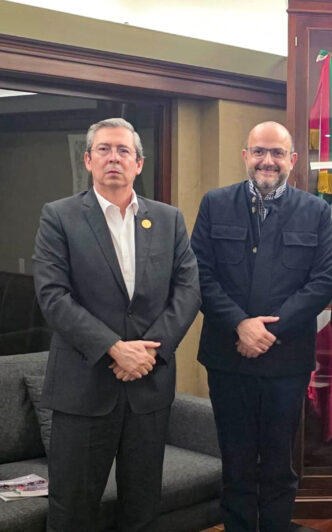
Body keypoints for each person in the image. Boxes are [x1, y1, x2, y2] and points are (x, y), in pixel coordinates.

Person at [33, 117, 201, 531]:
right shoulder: (59, 216)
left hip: (148, 386)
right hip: (83, 390)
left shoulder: (168, 219)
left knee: (142, 509)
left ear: (138, 163)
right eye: (104, 149)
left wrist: (149, 351)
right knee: (72, 511)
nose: (114, 158)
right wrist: (114, 348)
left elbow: (188, 290)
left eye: (123, 150)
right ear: (88, 160)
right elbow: (53, 296)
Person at [190, 121, 332, 531]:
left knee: (278, 463)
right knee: (235, 461)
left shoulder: (315, 211)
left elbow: (322, 282)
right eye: (259, 151)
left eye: (276, 153)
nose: (267, 160)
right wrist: (240, 324)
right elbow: (198, 274)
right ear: (245, 155)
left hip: (286, 362)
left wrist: (267, 331)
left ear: (292, 160)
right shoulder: (215, 204)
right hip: (227, 358)